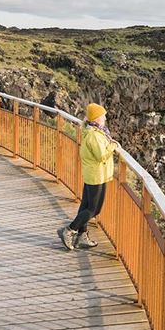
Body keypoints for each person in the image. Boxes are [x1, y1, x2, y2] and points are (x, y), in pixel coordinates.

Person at [58, 102, 118, 251]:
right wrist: (114, 146)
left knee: (85, 205)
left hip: (95, 174)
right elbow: (101, 155)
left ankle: (82, 235)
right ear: (96, 118)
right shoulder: (94, 135)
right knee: (94, 209)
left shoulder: (94, 131)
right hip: (96, 175)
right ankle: (69, 230)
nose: (105, 117)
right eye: (102, 115)